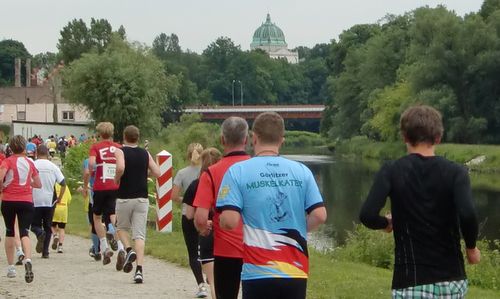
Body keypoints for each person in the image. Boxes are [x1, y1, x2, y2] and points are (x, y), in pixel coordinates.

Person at [359, 105, 480, 298]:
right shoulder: (456, 172)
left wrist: (387, 223)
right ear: (438, 138)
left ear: (404, 137)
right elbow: (468, 213)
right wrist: (471, 248)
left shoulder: (391, 171)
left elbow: (367, 215)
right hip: (451, 278)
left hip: (409, 281)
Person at [216, 112, 327, 299]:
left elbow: (229, 221)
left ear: (254, 138)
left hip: (257, 271)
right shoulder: (302, 171)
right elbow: (320, 215)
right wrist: (299, 227)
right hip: (295, 270)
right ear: (281, 140)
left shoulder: (237, 172)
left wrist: (221, 222)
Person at [194, 116, 251, 299]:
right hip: (258, 248)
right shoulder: (258, 169)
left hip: (226, 250)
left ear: (222, 140)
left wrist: (203, 228)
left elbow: (201, 218)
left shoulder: (211, 172)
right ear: (247, 140)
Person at [114, 125, 160, 283]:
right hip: (142, 198)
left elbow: (120, 167)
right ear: (138, 138)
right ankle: (139, 270)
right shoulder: (145, 153)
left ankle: (128, 250)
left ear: (124, 137)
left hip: (124, 196)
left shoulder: (120, 151)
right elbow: (158, 172)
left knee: (120, 227)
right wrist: (145, 172)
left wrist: (116, 178)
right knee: (139, 235)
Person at [0, 135, 42, 283]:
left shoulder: (7, 161)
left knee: (10, 231)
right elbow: (38, 183)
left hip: (9, 200)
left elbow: (1, 177)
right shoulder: (29, 163)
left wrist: (2, 188)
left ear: (10, 148)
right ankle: (28, 259)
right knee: (24, 231)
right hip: (26, 200)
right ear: (24, 147)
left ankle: (11, 267)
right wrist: (27, 183)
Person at [184, 147, 222, 299]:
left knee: (213, 282)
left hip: (205, 231)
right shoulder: (226, 181)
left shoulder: (196, 184)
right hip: (225, 232)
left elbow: (189, 214)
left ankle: (204, 286)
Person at [173, 143, 206, 297]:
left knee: (193, 253)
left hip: (188, 214)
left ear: (188, 156)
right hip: (206, 215)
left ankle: (201, 285)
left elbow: (173, 196)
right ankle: (211, 278)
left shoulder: (181, 173)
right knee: (208, 250)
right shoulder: (208, 172)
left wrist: (186, 200)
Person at [87, 122, 122, 265]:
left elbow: (91, 164)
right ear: (112, 133)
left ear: (99, 134)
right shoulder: (119, 148)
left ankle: (104, 246)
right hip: (115, 185)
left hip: (100, 185)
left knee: (97, 217)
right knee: (114, 216)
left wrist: (94, 170)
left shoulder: (95, 147)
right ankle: (120, 247)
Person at [31, 145, 66, 258]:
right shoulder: (53, 167)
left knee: (34, 225)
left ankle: (39, 233)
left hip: (35, 199)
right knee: (48, 226)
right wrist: (59, 198)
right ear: (47, 153)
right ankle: (45, 252)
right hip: (49, 200)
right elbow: (63, 183)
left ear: (37, 153)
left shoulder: (33, 165)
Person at [51, 183, 72, 253]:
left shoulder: (53, 185)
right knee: (62, 228)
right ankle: (60, 246)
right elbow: (69, 199)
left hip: (55, 208)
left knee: (52, 225)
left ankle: (55, 235)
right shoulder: (65, 186)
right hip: (63, 209)